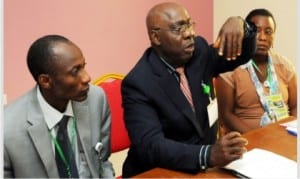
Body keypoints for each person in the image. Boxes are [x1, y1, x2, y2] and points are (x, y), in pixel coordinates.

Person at [121, 2, 257, 177]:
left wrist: (241, 25)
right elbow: (151, 146)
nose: (190, 33)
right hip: (160, 171)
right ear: (156, 37)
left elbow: (240, 55)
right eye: (178, 29)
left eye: (189, 24)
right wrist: (207, 155)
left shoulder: (198, 50)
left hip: (205, 169)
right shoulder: (139, 83)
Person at [4, 35, 115, 178]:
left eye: (83, 67)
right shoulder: (7, 127)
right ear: (45, 81)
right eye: (75, 71)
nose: (87, 77)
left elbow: (102, 161)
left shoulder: (95, 98)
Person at [216, 8, 297, 134]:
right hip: (247, 140)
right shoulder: (230, 67)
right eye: (257, 31)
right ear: (246, 34)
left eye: (268, 32)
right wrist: (259, 137)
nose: (263, 37)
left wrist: (293, 130)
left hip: (284, 137)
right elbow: (226, 115)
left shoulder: (284, 66)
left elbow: (295, 106)